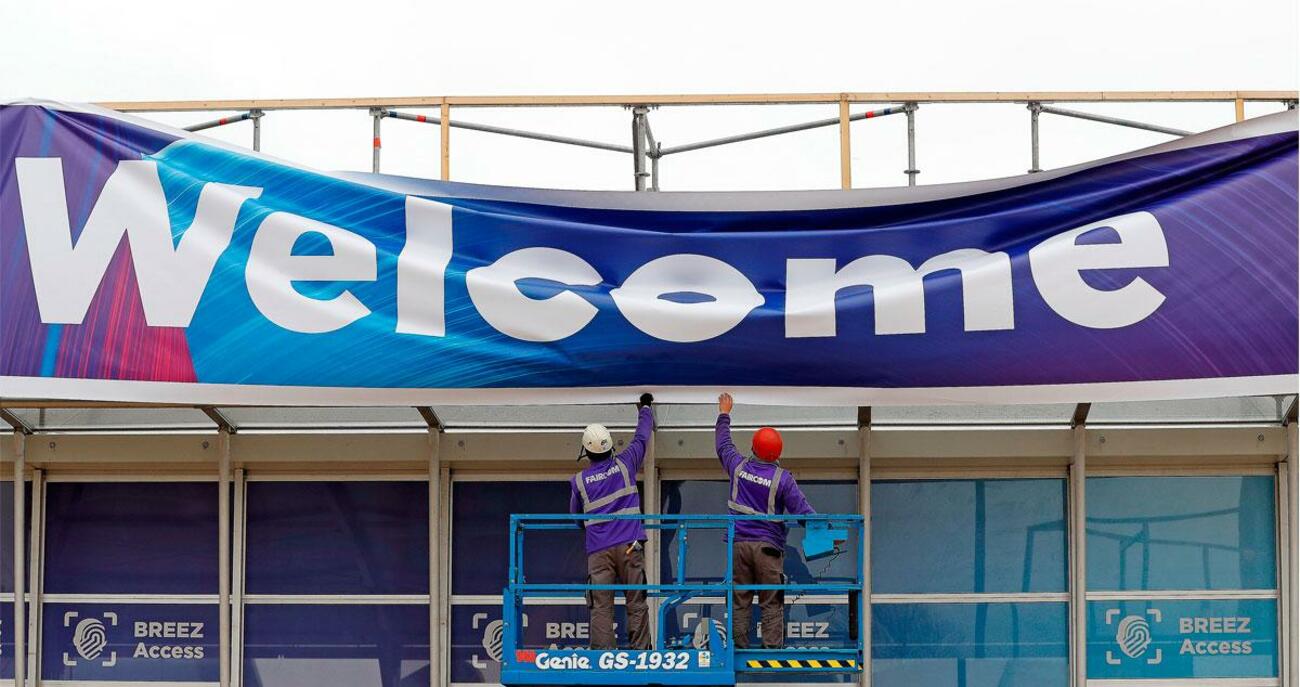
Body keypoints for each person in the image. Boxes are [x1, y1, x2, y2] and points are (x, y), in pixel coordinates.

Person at [715, 391, 815, 650]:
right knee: (771, 600)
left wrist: (724, 413)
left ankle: (739, 648)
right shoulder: (783, 479)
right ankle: (772, 649)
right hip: (768, 549)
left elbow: (723, 445)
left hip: (738, 546)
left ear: (753, 447)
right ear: (777, 453)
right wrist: (826, 529)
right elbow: (803, 512)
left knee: (740, 599)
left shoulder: (738, 467)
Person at [570, 393, 655, 650]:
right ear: (610, 447)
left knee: (601, 606)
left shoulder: (579, 481)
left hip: (599, 551)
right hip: (630, 546)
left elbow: (577, 518)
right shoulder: (625, 464)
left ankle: (603, 655)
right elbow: (641, 438)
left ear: (586, 451)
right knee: (636, 600)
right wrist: (645, 409)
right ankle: (641, 652)